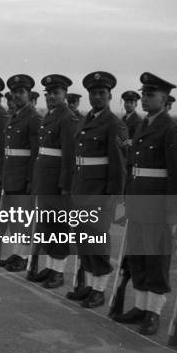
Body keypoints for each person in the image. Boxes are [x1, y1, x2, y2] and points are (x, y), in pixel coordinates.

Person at [113, 72, 177, 335]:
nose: (145, 99)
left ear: (165, 99)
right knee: (138, 258)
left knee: (157, 260)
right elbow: (132, 168)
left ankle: (154, 313)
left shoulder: (172, 128)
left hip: (158, 207)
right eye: (143, 94)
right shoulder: (144, 126)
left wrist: (174, 214)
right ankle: (141, 307)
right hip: (138, 203)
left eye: (151, 95)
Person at [66, 71, 127, 308]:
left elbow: (119, 167)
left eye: (102, 93)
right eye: (93, 93)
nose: (97, 97)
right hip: (81, 190)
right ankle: (89, 286)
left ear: (110, 95)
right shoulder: (85, 120)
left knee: (98, 242)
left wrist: (114, 198)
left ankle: (99, 290)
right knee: (84, 240)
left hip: (99, 192)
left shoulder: (114, 124)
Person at [28, 74, 77, 288]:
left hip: (57, 183)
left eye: (56, 93)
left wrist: (65, 185)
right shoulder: (49, 116)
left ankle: (58, 272)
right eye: (48, 94)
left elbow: (68, 155)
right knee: (47, 227)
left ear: (65, 95)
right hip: (45, 180)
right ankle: (50, 267)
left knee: (59, 227)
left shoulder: (68, 118)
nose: (50, 97)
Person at [0, 74, 41, 271]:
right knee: (15, 219)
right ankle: (16, 253)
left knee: (24, 220)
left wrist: (30, 180)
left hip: (23, 177)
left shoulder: (34, 119)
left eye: (21, 92)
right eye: (14, 92)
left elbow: (35, 153)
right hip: (10, 176)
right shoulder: (14, 116)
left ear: (28, 94)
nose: (17, 96)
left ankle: (23, 257)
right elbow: (6, 151)